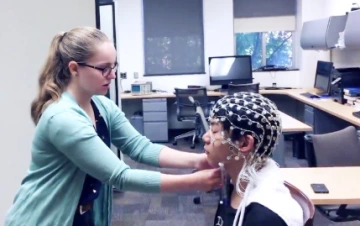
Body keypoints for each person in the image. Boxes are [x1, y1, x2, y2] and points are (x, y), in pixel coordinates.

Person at [4, 27, 221, 226]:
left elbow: (140, 148)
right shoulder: (62, 118)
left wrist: (199, 160)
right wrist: (195, 181)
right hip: (42, 218)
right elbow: (120, 176)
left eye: (113, 66)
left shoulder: (102, 106)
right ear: (74, 69)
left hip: (83, 216)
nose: (113, 75)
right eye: (103, 69)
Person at [203, 92, 304, 226]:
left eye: (215, 131)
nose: (205, 137)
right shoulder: (235, 180)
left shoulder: (265, 217)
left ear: (244, 143)